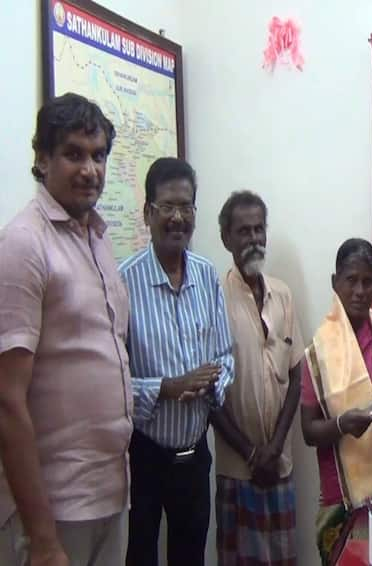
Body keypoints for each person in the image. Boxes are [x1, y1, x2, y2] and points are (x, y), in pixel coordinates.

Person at [0, 93, 132, 566]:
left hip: (111, 493)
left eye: (98, 156)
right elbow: (6, 399)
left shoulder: (98, 238)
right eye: (73, 154)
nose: (89, 169)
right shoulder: (22, 245)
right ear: (42, 159)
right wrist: (41, 537)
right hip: (55, 510)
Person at [119, 157, 234, 566]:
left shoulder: (206, 275)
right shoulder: (123, 281)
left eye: (186, 207)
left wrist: (212, 384)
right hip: (144, 456)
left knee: (190, 557)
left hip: (194, 455)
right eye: (167, 206)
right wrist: (167, 388)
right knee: (140, 556)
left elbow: (224, 355)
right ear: (149, 212)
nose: (177, 218)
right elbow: (111, 383)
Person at [300, 238, 372, 566]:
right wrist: (342, 425)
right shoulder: (318, 354)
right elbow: (308, 431)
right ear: (334, 282)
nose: (359, 290)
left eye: (368, 281)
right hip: (342, 497)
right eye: (350, 280)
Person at [210, 190, 304, 565]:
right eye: (243, 231)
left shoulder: (282, 294)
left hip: (279, 466)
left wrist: (275, 448)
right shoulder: (213, 297)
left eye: (259, 229)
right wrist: (251, 454)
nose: (253, 239)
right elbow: (209, 395)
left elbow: (296, 376)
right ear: (226, 238)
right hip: (237, 471)